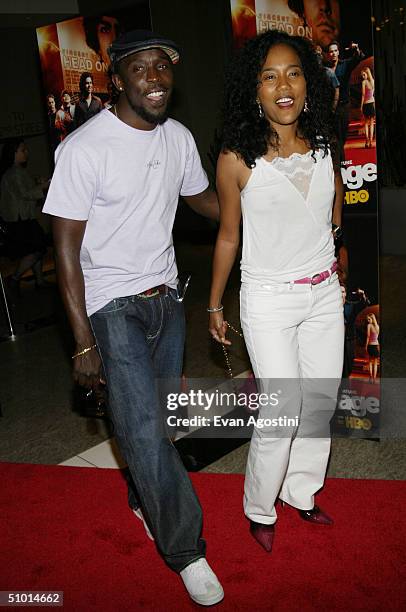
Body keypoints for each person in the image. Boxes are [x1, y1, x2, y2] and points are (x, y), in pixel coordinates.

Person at [43, 30, 224, 607]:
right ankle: (187, 552)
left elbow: (206, 203)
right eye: (141, 68)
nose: (155, 78)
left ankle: (143, 495)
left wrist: (261, 198)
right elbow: (64, 248)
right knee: (142, 429)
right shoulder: (84, 147)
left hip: (167, 300)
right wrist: (82, 342)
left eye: (164, 68)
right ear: (117, 79)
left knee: (158, 425)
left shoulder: (178, 139)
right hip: (110, 306)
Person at [209, 30, 344, 553]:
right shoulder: (236, 159)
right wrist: (215, 304)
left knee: (319, 402)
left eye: (292, 73)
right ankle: (259, 507)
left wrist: (336, 273)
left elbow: (332, 221)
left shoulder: (327, 145)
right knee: (282, 409)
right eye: (269, 76)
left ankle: (301, 492)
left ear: (308, 82)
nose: (283, 86)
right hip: (267, 298)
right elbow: (227, 235)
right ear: (255, 90)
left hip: (323, 295)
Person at [0, 139, 49, 293]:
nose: (26, 152)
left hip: (24, 219)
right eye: (23, 150)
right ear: (13, 153)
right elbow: (26, 194)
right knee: (37, 249)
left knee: (36, 249)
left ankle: (39, 281)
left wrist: (39, 184)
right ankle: (14, 279)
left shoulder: (17, 171)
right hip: (20, 221)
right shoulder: (13, 173)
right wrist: (44, 185)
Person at [327, 40, 364, 159]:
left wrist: (356, 49)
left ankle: (341, 161)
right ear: (328, 54)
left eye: (335, 51)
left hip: (343, 106)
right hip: (330, 108)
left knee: (341, 136)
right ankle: (338, 161)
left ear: (338, 52)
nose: (333, 53)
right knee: (333, 136)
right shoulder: (326, 68)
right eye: (331, 51)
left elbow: (359, 58)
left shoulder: (345, 64)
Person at [360, 67, 375, 148]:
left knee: (366, 123)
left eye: (363, 74)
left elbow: (363, 95)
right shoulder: (373, 81)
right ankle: (371, 141)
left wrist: (361, 106)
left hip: (366, 104)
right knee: (372, 123)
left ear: (367, 73)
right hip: (372, 104)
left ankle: (367, 141)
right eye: (362, 75)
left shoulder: (364, 82)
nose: (362, 76)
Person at [365, 313, 379, 383]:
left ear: (372, 319)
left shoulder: (369, 326)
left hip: (370, 346)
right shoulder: (377, 327)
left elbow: (368, 336)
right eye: (367, 319)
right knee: (375, 363)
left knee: (370, 362)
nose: (368, 321)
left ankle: (371, 377)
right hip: (376, 346)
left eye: (369, 319)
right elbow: (377, 338)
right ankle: (374, 378)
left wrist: (366, 345)